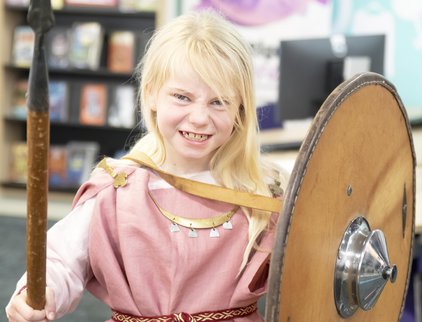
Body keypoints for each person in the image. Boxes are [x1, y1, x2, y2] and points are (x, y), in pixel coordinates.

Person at [6, 10, 288, 322]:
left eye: (218, 102)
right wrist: (41, 292)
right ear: (152, 93)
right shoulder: (117, 188)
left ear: (241, 107)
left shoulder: (265, 191)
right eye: (182, 97)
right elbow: (61, 258)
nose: (199, 117)